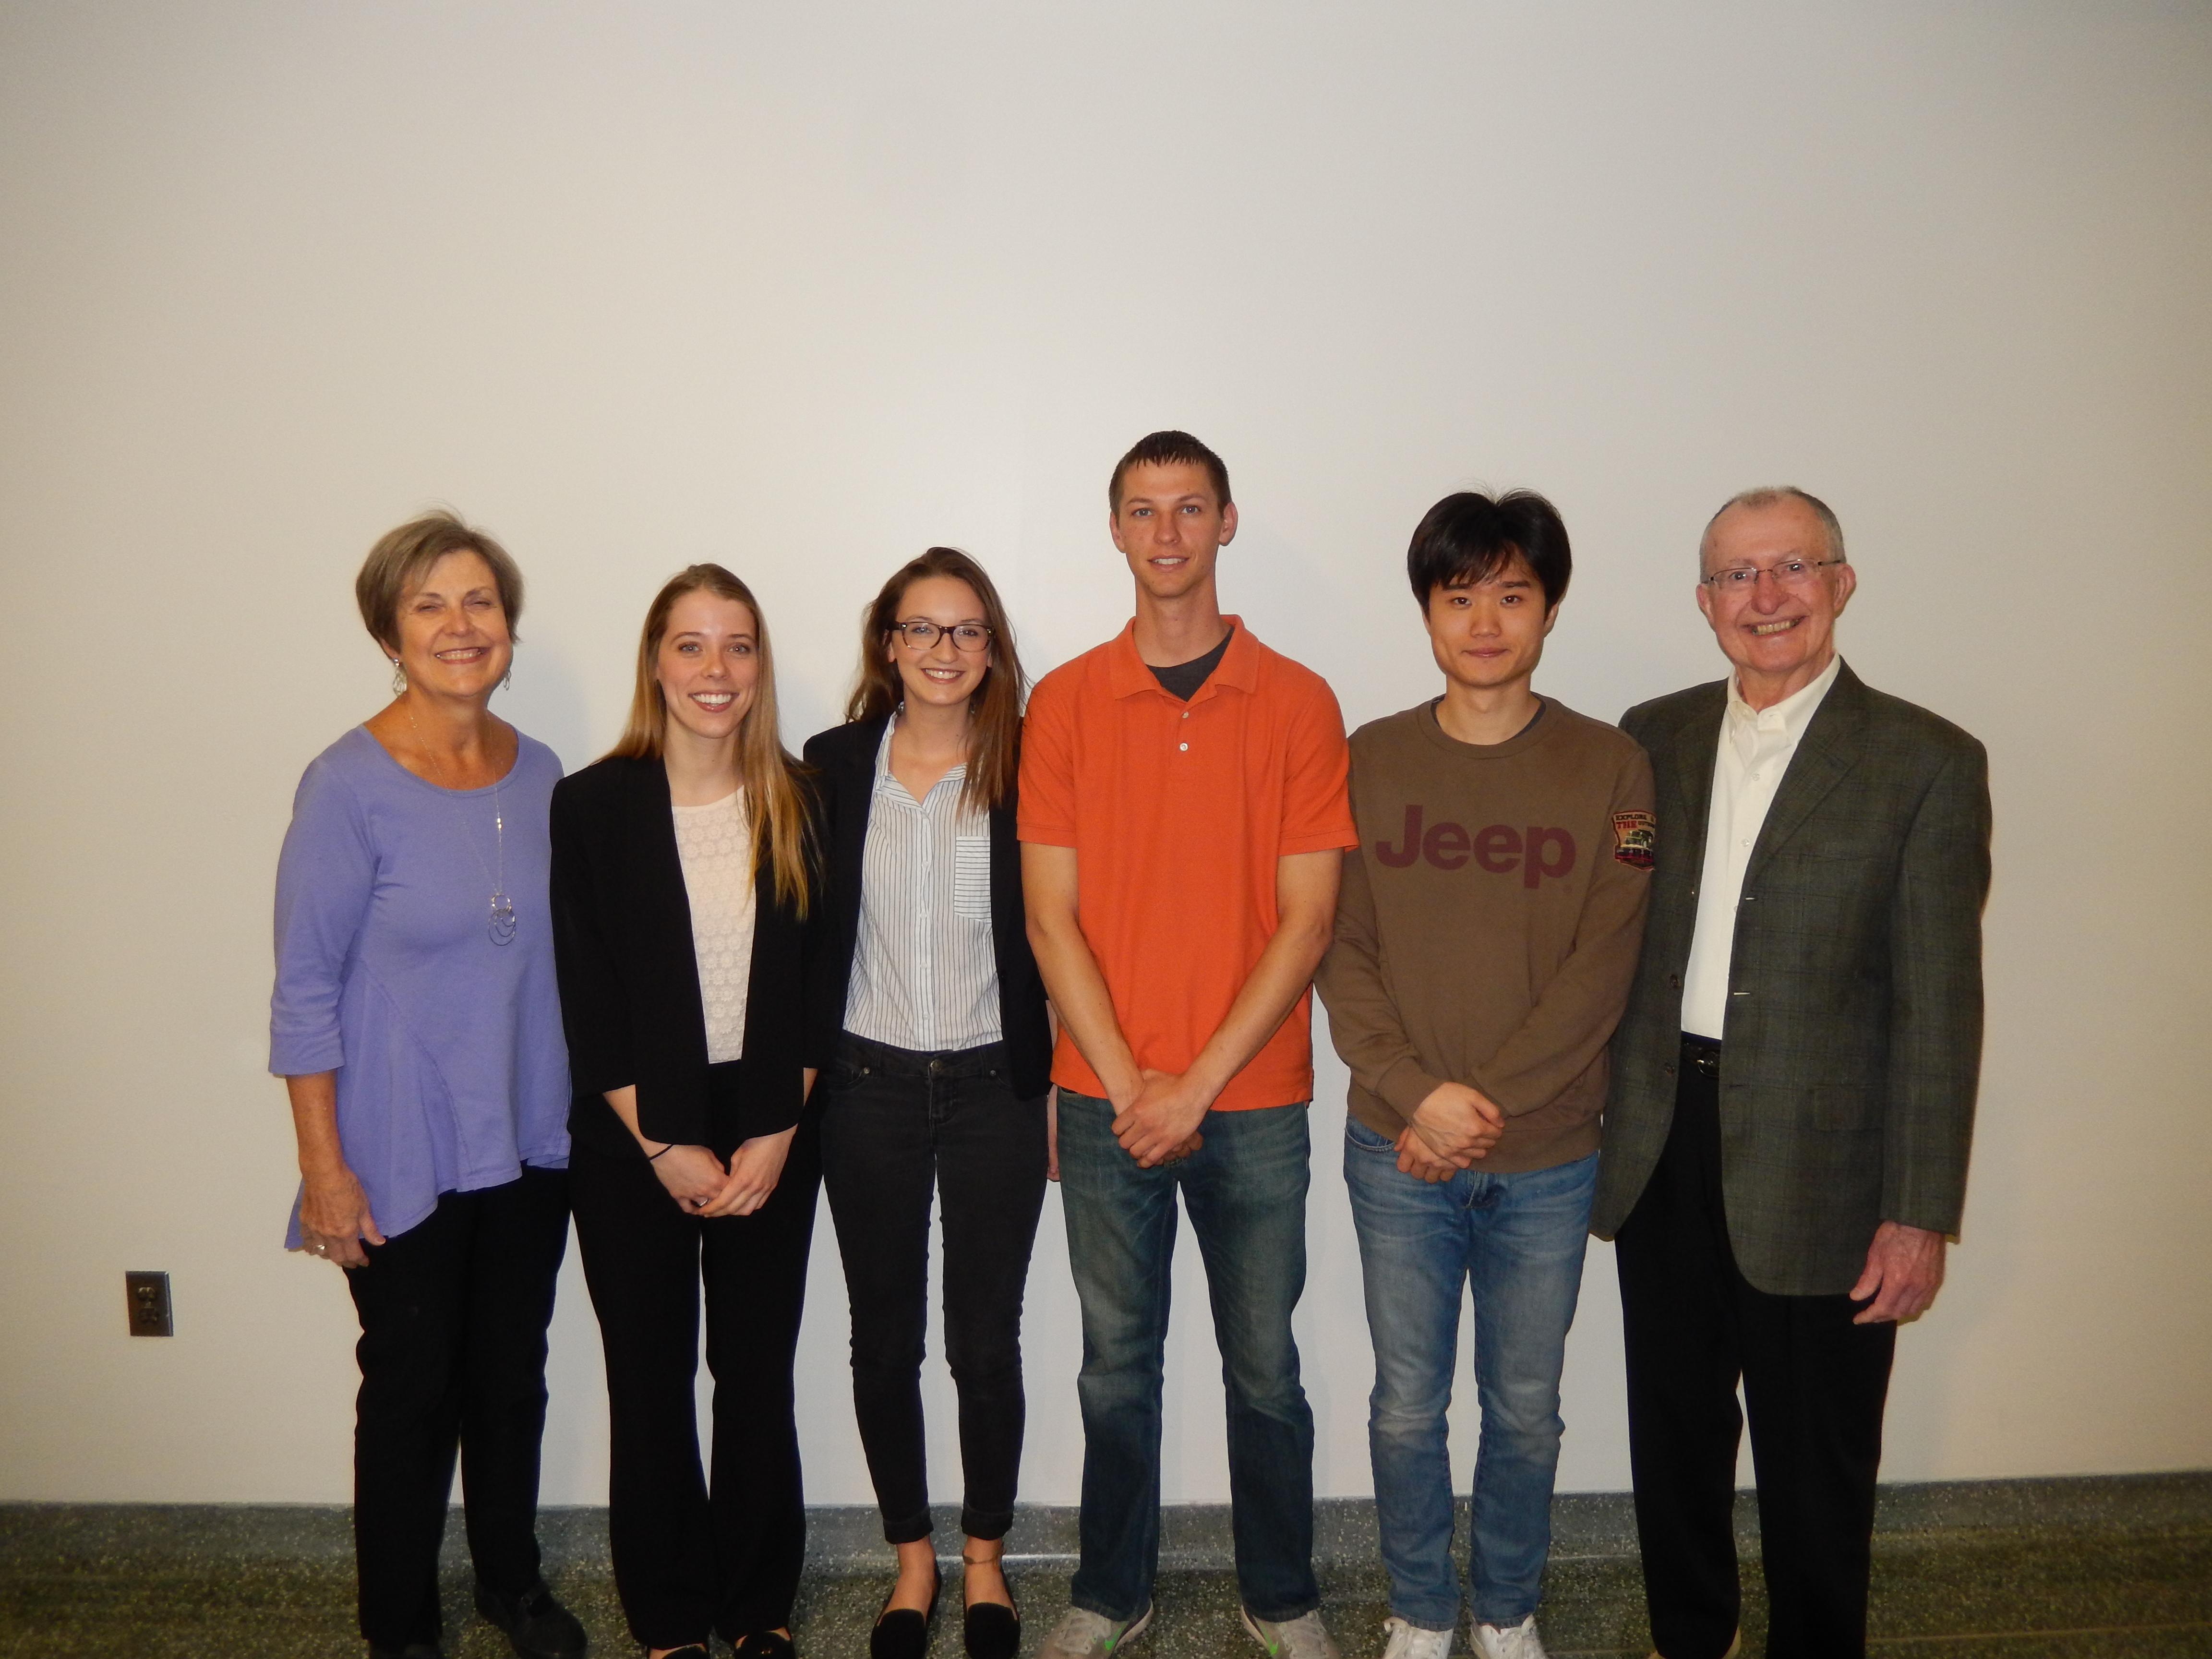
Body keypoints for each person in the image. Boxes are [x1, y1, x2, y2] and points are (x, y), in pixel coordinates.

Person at [1592, 489, 1990, 1659]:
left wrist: (1919, 1213)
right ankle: (1689, 1638)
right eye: (1736, 577)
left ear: (1842, 582)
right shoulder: (1648, 737)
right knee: (1673, 1439)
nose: (1765, 599)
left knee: (1819, 1461)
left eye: (1791, 569)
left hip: (1828, 1173)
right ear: (1705, 601)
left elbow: (1939, 1008)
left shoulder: (1925, 761)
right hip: (1664, 1142)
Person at [1022, 431, 1361, 1659]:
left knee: (1264, 1367)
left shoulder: (1300, 701)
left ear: (1227, 523)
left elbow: (1310, 918)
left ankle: (1281, 1594)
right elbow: (1048, 918)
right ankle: (1113, 1592)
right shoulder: (1060, 702)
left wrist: (1197, 1086)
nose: (1166, 534)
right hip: (1104, 1100)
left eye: (1189, 509)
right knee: (1117, 1370)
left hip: (1254, 1101)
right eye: (1142, 511)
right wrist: (1130, 1088)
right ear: (1113, 530)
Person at [1317, 491, 1656, 1659]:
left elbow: (1600, 973)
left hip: (1551, 1156)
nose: (1485, 621)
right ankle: (1418, 1609)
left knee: (1525, 1411)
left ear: (1550, 609)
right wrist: (1420, 1096)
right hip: (1395, 1150)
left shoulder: (1612, 766)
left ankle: (1507, 1610)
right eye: (1460, 596)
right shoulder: (1369, 758)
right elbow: (1338, 949)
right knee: (1405, 1405)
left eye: (1513, 595)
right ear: (1427, 612)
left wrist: (1474, 1107)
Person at [269, 511, 584, 1659]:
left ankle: (512, 1583)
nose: (462, 627)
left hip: (530, 1139)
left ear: (508, 625)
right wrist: (324, 1174)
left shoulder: (544, 772)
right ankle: (399, 1625)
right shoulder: (346, 785)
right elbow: (302, 992)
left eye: (480, 603)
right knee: (411, 1397)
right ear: (391, 635)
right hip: (397, 1150)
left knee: (512, 1378)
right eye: (430, 606)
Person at [548, 565, 821, 1659]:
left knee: (754, 1374)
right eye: (692, 645)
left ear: (761, 667)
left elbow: (820, 980)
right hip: (631, 1131)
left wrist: (777, 1131)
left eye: (739, 646)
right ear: (656, 662)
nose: (717, 671)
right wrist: (661, 1142)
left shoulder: (802, 797)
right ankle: (667, 1616)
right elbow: (587, 986)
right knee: (649, 1379)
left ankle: (756, 1607)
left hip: (771, 1118)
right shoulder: (594, 801)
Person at [803, 547, 1053, 1659]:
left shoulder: (1035, 765)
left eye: (966, 631)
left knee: (985, 1343)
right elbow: (802, 938)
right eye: (922, 630)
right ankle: (912, 1562)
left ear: (991, 649)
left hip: (1000, 1085)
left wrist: (1054, 1088)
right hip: (868, 1088)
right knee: (881, 1341)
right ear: (887, 645)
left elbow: (1059, 940)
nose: (944, 651)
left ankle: (987, 1562)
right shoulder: (832, 765)